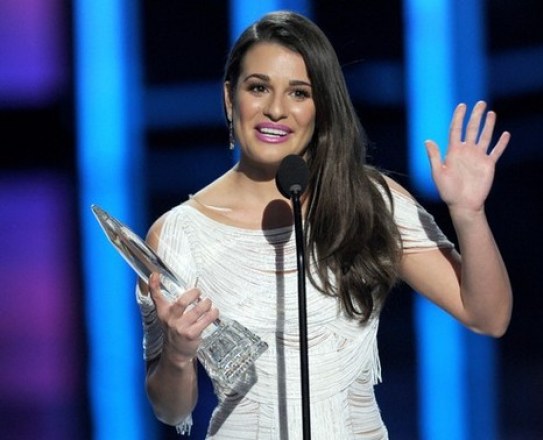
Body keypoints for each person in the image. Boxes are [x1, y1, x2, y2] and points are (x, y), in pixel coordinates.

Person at [135, 10, 513, 439]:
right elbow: (170, 410)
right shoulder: (180, 234)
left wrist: (469, 215)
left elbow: (489, 315)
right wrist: (179, 357)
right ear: (229, 98)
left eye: (299, 93)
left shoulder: (368, 202)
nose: (276, 109)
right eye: (258, 88)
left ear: (321, 107)